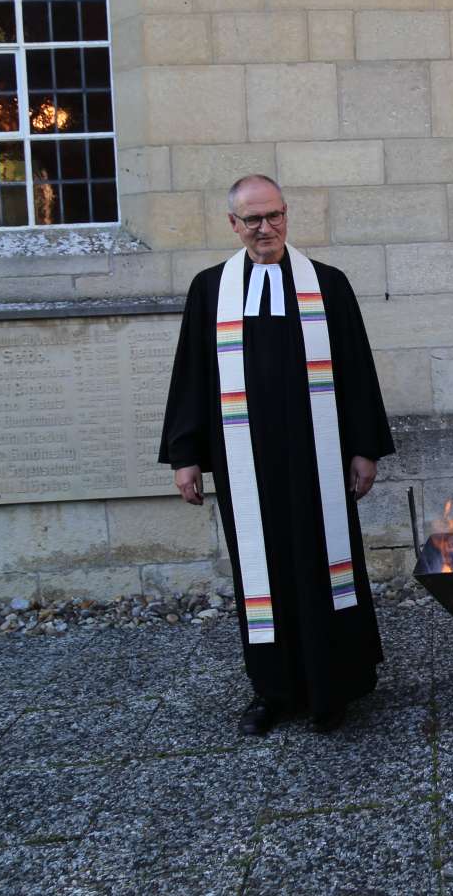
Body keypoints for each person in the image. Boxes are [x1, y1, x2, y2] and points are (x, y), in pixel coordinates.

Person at [159, 174, 394, 736]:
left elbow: (356, 370)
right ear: (233, 225)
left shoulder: (328, 285)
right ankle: (272, 688)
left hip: (318, 462)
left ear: (287, 215)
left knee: (324, 567)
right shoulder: (209, 290)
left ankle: (332, 686)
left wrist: (365, 449)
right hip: (248, 465)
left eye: (275, 216)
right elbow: (191, 376)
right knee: (260, 575)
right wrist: (184, 455)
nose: (266, 228)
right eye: (253, 219)